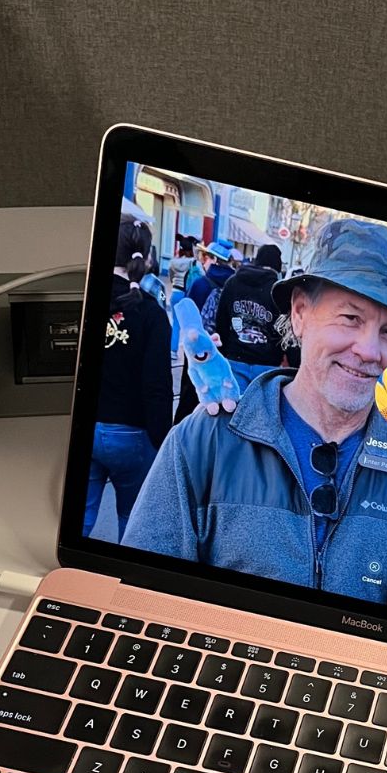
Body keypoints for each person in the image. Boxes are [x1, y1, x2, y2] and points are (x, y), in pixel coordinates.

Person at [124, 217, 387, 617]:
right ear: (300, 313)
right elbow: (142, 602)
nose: (370, 350)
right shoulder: (203, 444)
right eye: (351, 318)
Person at [84, 217, 172, 539]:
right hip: (132, 433)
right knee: (133, 523)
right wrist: (162, 441)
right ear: (146, 258)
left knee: (79, 520)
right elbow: (157, 386)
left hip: (85, 424)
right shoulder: (152, 314)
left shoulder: (87, 296)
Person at [211, 242, 295, 391]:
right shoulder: (278, 290)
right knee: (262, 406)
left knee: (235, 404)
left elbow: (221, 321)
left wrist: (222, 353)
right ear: (277, 264)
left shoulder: (233, 282)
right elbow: (287, 329)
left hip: (235, 359)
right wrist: (293, 363)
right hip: (267, 364)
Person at [174, 239, 238, 422]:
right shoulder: (234, 285)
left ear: (214, 260)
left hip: (197, 349)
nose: (202, 262)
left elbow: (187, 317)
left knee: (191, 392)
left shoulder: (200, 283)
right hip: (222, 350)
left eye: (206, 257)